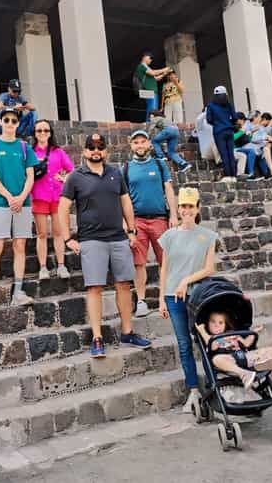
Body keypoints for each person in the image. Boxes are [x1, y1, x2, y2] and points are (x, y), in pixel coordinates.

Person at [59, 133, 151, 358]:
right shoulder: (75, 177)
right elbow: (63, 208)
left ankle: (128, 332)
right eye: (91, 147)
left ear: (106, 151)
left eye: (100, 147)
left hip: (118, 238)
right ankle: (97, 338)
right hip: (91, 239)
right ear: (84, 151)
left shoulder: (115, 173)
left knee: (123, 285)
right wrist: (67, 238)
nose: (96, 150)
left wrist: (131, 230)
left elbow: (126, 202)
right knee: (95, 288)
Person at [158, 187, 218, 411]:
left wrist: (186, 281)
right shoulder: (169, 236)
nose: (186, 210)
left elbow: (209, 268)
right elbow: (164, 269)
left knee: (203, 340)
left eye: (190, 206)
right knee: (183, 344)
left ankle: (214, 385)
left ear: (197, 208)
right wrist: (161, 299)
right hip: (173, 297)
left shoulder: (207, 236)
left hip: (197, 295)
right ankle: (193, 389)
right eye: (183, 206)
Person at [0, 107, 40, 312]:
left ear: (17, 124)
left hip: (23, 203)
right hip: (0, 202)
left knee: (20, 246)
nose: (10, 123)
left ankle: (18, 292)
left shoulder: (24, 148)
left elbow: (30, 175)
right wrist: (9, 197)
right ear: (1, 121)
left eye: (14, 120)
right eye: (7, 119)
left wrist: (21, 197)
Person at [124, 129, 178, 317]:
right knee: (139, 263)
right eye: (136, 142)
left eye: (143, 141)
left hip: (160, 219)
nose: (140, 145)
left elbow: (169, 190)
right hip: (137, 220)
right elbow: (123, 198)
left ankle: (168, 298)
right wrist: (126, 224)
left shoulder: (159, 164)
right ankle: (140, 301)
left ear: (149, 144)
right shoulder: (127, 168)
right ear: (131, 145)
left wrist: (174, 215)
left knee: (166, 260)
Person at [31, 119, 74, 280]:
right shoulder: (30, 152)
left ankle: (61, 265)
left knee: (58, 233)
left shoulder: (58, 151)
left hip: (57, 196)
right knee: (41, 234)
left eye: (45, 130)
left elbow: (71, 170)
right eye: (39, 131)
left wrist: (64, 179)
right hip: (39, 196)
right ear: (35, 134)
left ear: (50, 133)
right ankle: (43, 267)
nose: (42, 133)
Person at [196, 311, 272, 389]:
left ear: (225, 325)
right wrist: (202, 331)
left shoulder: (232, 334)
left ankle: (260, 363)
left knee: (271, 350)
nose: (216, 325)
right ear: (207, 323)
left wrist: (253, 333)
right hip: (230, 361)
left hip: (245, 357)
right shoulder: (212, 339)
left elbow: (246, 344)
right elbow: (213, 346)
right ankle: (244, 374)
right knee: (216, 360)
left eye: (220, 323)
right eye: (213, 321)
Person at [206, 86, 237, 181]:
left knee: (223, 154)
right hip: (229, 130)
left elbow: (209, 119)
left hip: (219, 131)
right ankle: (234, 175)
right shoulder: (228, 105)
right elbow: (235, 118)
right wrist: (229, 123)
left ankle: (228, 176)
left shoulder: (210, 106)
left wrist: (217, 124)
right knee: (230, 153)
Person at [134, 52, 170, 122]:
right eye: (150, 58)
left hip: (150, 91)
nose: (151, 60)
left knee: (152, 108)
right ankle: (150, 124)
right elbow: (153, 73)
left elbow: (156, 78)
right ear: (144, 57)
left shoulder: (147, 68)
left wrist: (164, 74)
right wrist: (164, 69)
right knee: (152, 109)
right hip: (149, 91)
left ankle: (149, 123)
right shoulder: (141, 66)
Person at [233, 112, 259, 179]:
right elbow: (233, 138)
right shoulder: (232, 127)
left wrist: (252, 132)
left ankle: (252, 173)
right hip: (233, 149)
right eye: (243, 120)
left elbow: (246, 140)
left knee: (255, 152)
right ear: (239, 120)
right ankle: (250, 173)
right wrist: (242, 131)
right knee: (251, 151)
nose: (244, 122)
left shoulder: (240, 128)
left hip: (240, 148)